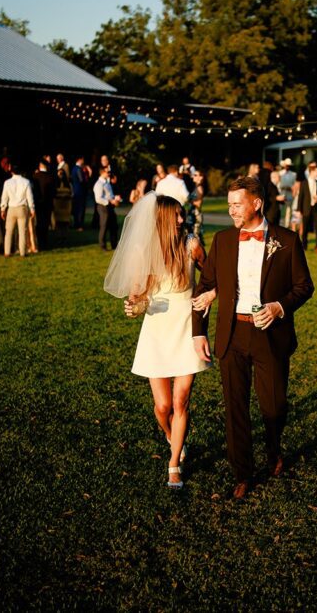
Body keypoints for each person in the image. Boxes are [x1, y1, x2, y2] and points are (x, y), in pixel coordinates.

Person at [190, 176, 314, 499]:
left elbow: (304, 286)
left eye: (236, 204)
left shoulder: (286, 241)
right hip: (232, 334)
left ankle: (274, 449)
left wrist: (278, 307)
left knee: (274, 406)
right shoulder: (222, 241)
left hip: (269, 333)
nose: (231, 210)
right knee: (235, 408)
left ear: (256, 203)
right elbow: (204, 288)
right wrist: (197, 333)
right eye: (229, 204)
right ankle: (242, 473)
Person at [104, 193, 213, 490]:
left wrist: (209, 296)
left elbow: (213, 276)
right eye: (176, 215)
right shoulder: (144, 251)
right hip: (156, 331)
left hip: (186, 329)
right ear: (163, 219)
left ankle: (174, 463)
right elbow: (139, 296)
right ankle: (169, 433)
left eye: (182, 214)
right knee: (163, 405)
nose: (182, 219)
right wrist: (134, 304)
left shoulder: (191, 244)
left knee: (181, 400)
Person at [0, 164, 36, 257]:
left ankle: (7, 252)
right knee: (22, 231)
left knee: (8, 232)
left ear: (12, 171)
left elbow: (4, 197)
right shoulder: (26, 182)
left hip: (11, 208)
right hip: (22, 208)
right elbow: (30, 197)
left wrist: (3, 209)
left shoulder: (7, 182)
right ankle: (23, 252)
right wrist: (32, 208)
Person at [297, 161, 317, 253]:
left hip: (316, 208)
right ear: (312, 172)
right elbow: (301, 196)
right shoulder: (304, 183)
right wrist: (299, 210)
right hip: (306, 208)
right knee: (304, 229)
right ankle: (304, 245)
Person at [93, 166, 122, 251]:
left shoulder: (107, 183)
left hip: (110, 206)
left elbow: (110, 195)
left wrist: (115, 198)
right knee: (104, 226)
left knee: (114, 226)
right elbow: (98, 198)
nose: (109, 174)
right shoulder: (98, 184)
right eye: (107, 172)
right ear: (102, 173)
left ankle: (114, 245)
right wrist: (110, 201)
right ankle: (103, 246)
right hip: (103, 206)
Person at [31, 158, 56, 250]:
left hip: (38, 203)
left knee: (39, 222)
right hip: (48, 203)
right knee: (46, 223)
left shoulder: (35, 176)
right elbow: (54, 192)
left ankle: (39, 241)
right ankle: (45, 242)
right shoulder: (51, 177)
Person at [278, 158, 297, 227]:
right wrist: (281, 187)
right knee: (280, 210)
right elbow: (277, 183)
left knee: (288, 211)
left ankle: (286, 225)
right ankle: (279, 224)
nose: (287, 166)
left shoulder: (293, 174)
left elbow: (294, 185)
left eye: (289, 165)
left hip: (289, 194)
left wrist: (291, 189)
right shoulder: (280, 173)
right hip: (281, 193)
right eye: (286, 165)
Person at [71, 156, 89, 231]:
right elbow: (82, 180)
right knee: (80, 209)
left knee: (76, 208)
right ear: (80, 160)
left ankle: (76, 224)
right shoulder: (79, 169)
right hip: (80, 191)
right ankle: (79, 225)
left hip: (75, 190)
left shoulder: (73, 168)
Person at [186, 172, 205, 241]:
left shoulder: (199, 188)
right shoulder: (196, 187)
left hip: (196, 214)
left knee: (195, 237)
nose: (193, 176)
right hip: (192, 213)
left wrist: (187, 200)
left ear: (201, 177)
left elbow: (199, 203)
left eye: (196, 175)